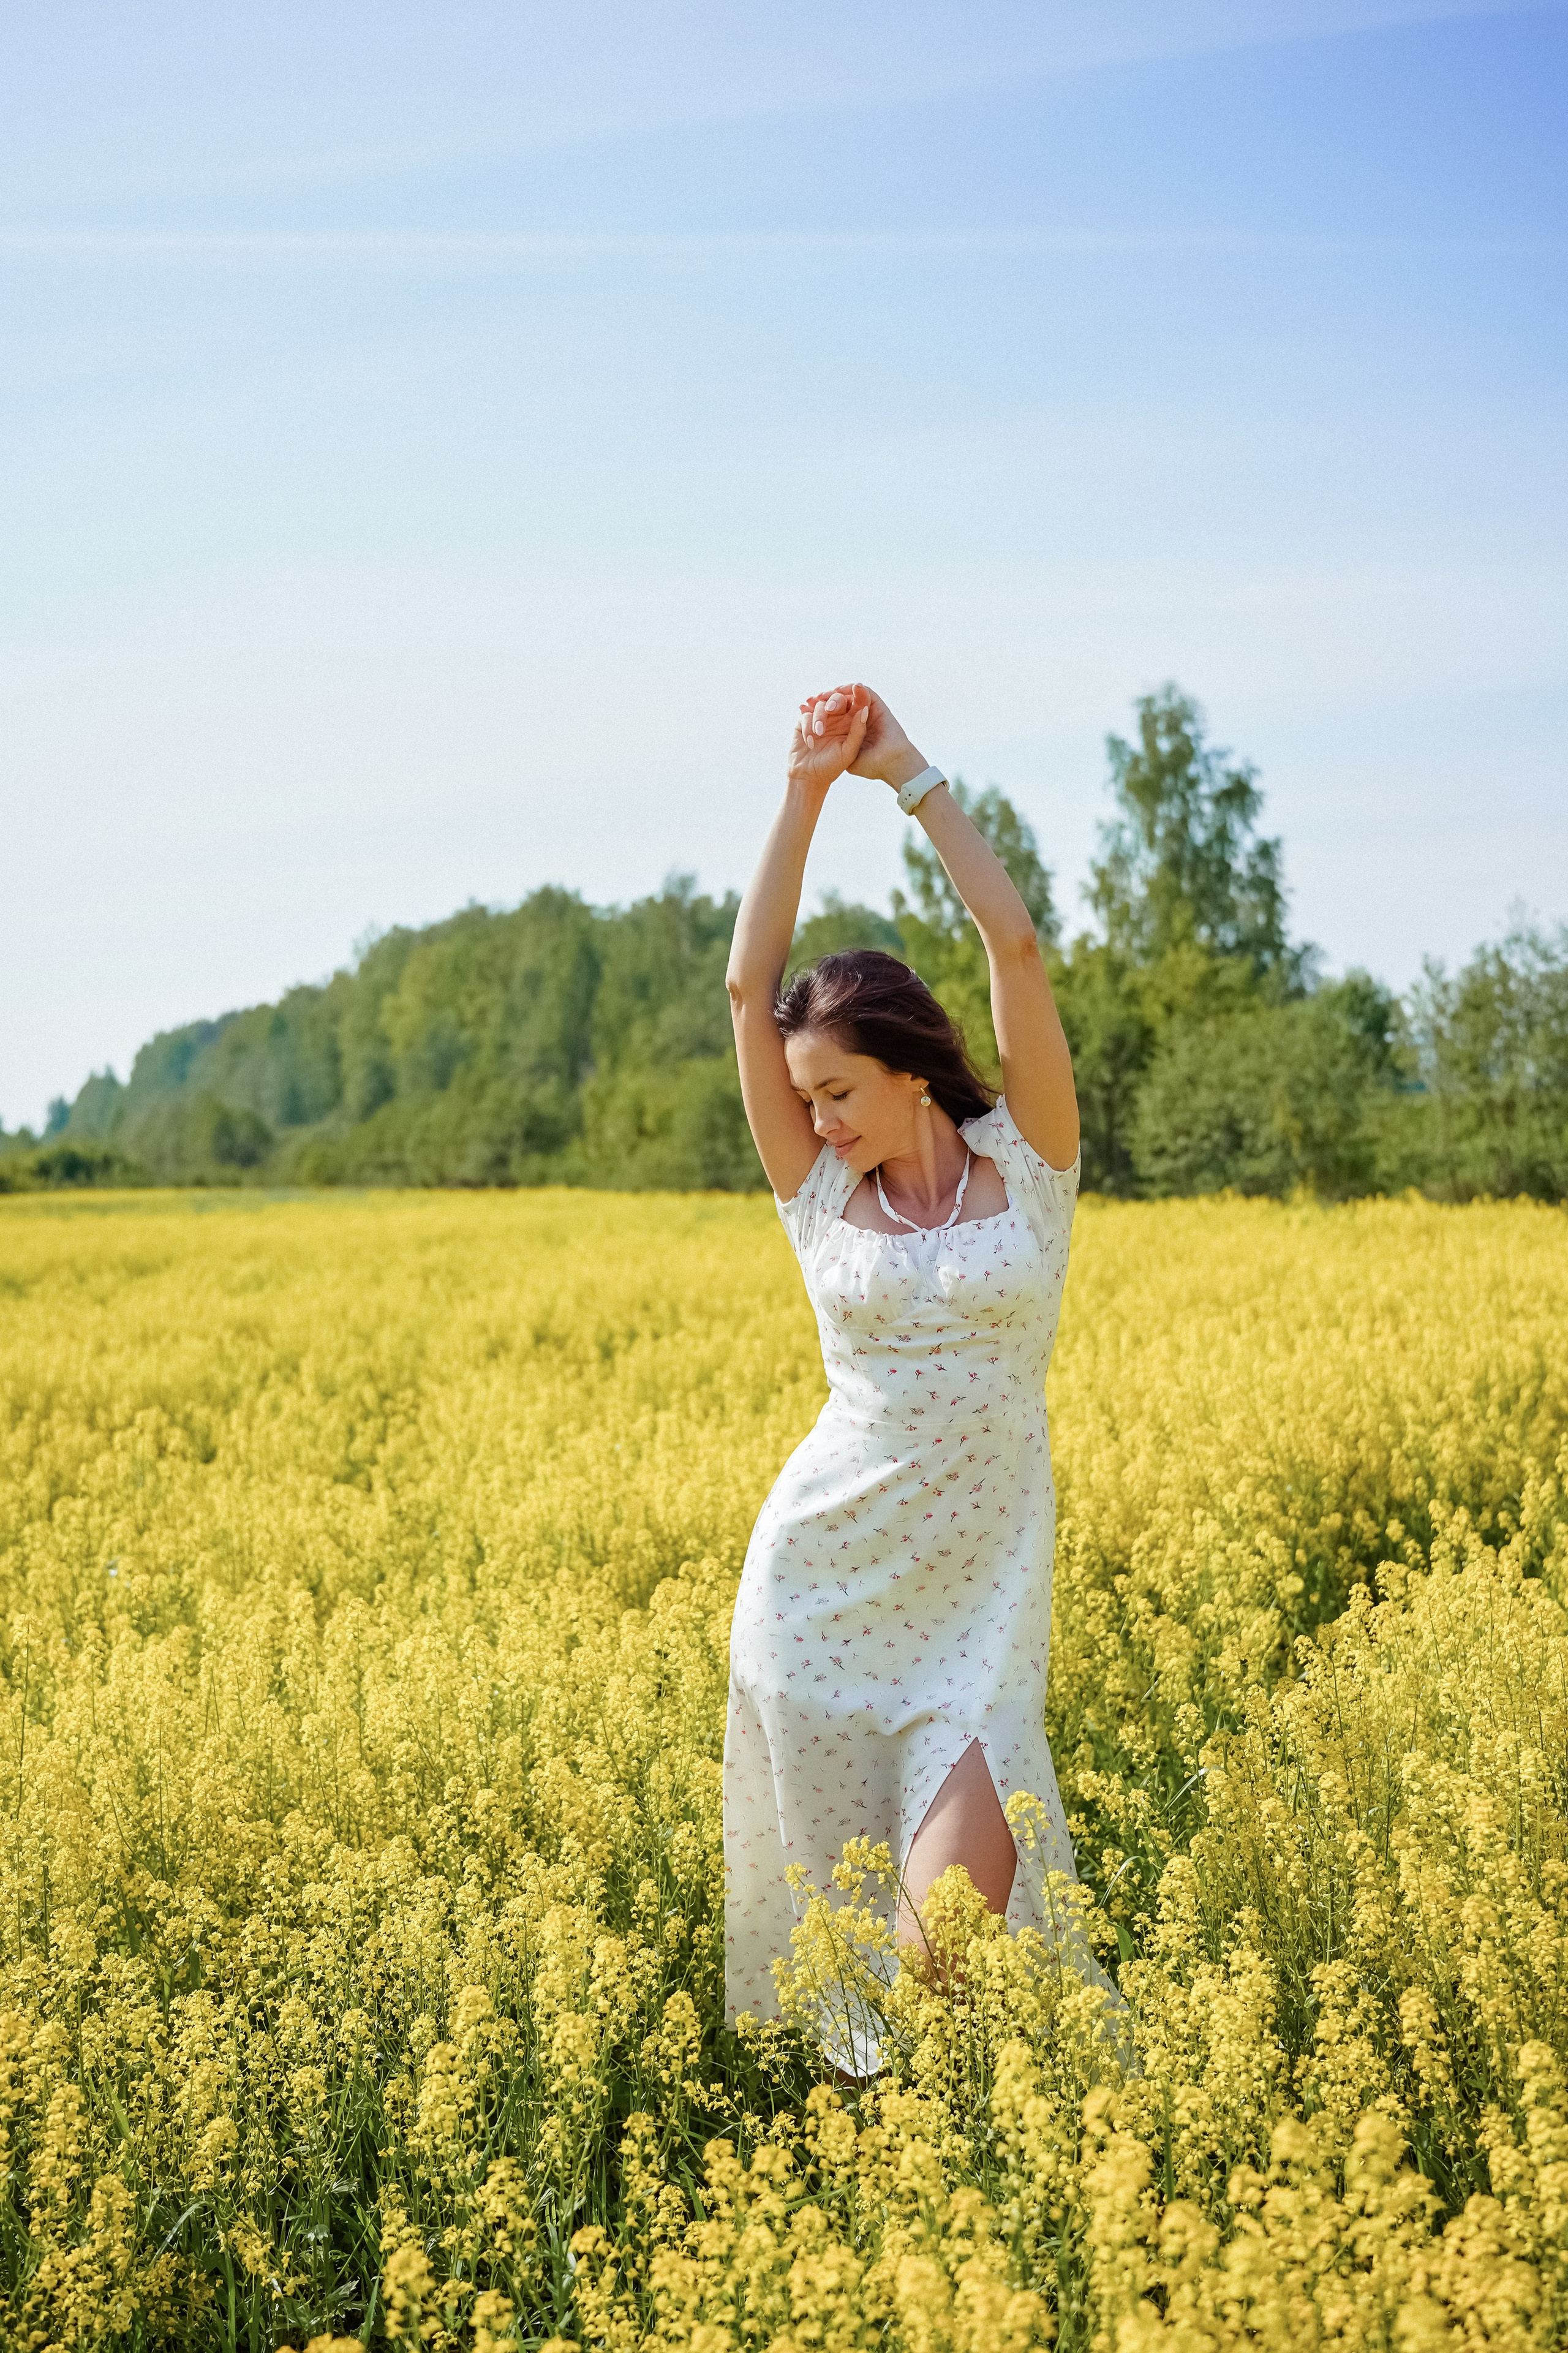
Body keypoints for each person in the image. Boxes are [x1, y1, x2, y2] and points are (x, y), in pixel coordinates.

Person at [723, 680, 1105, 2066]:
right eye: (801, 1098)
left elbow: (1010, 941)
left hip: (976, 1616)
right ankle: (880, 2219)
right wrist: (800, 791)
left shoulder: (1027, 1165)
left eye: (834, 1090)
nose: (813, 1122)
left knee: (933, 1956)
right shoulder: (818, 1197)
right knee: (853, 2004)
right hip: (821, 1590)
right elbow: (738, 984)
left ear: (908, 1071)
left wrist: (905, 773)